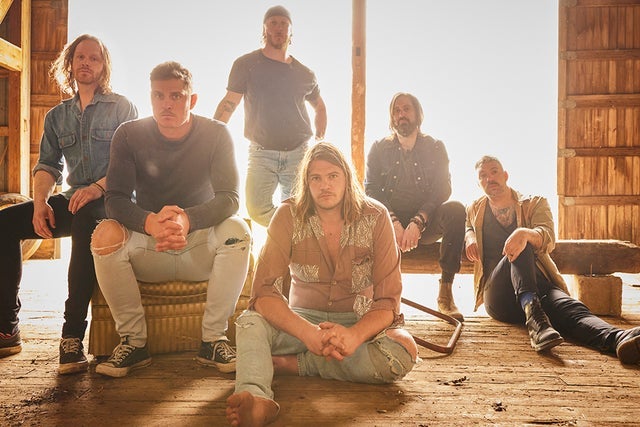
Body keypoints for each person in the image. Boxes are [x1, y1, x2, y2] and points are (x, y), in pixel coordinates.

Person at [226, 142, 418, 427]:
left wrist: (354, 336)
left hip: (357, 319)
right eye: (315, 178)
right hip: (301, 321)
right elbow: (263, 293)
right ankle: (256, 397)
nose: (324, 185)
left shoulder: (376, 216)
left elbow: (388, 302)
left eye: (332, 176)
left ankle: (296, 364)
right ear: (305, 182)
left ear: (347, 178)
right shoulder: (287, 215)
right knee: (249, 322)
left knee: (403, 349)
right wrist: (307, 333)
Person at [90, 61, 251, 378]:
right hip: (151, 248)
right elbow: (115, 199)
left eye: (176, 96)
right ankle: (134, 343)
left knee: (238, 230)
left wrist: (187, 220)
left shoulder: (217, 134)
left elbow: (230, 197)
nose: (166, 104)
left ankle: (213, 340)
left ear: (192, 100)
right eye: (159, 96)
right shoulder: (129, 134)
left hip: (199, 248)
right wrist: (150, 223)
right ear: (150, 97)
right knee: (105, 233)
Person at [0, 34, 137, 374]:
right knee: (4, 223)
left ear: (103, 66)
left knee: (85, 218)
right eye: (80, 57)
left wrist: (97, 188)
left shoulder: (122, 107)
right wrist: (40, 203)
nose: (86, 62)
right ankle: (7, 327)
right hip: (74, 197)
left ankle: (72, 336)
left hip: (113, 199)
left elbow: (130, 163)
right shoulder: (57, 116)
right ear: (70, 64)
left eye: (94, 58)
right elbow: (47, 165)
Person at [464, 155, 640, 362]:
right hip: (499, 297)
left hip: (539, 286)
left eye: (494, 172)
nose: (489, 178)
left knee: (571, 309)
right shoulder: (474, 209)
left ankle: (618, 339)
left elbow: (548, 236)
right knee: (521, 243)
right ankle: (535, 317)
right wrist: (469, 234)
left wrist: (526, 233)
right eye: (483, 175)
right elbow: (466, 223)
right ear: (478, 183)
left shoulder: (535, 203)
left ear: (505, 175)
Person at [214, 4, 327, 227]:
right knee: (256, 210)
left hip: (298, 153)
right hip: (261, 152)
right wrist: (211, 136)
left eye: (284, 23)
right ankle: (288, 230)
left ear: (291, 31)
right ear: (264, 29)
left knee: (300, 209)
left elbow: (320, 108)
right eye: (273, 22)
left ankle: (291, 241)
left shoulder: (305, 73)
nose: (279, 27)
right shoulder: (246, 65)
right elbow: (229, 103)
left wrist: (318, 141)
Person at [365, 92, 466, 321]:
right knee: (358, 210)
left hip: (425, 223)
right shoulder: (378, 148)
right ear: (391, 117)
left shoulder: (435, 147)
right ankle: (374, 298)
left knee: (456, 210)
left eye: (406, 109)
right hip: (389, 225)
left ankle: (446, 294)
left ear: (418, 114)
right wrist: (393, 222)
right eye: (396, 110)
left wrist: (419, 221)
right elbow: (371, 189)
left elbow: (443, 188)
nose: (401, 114)